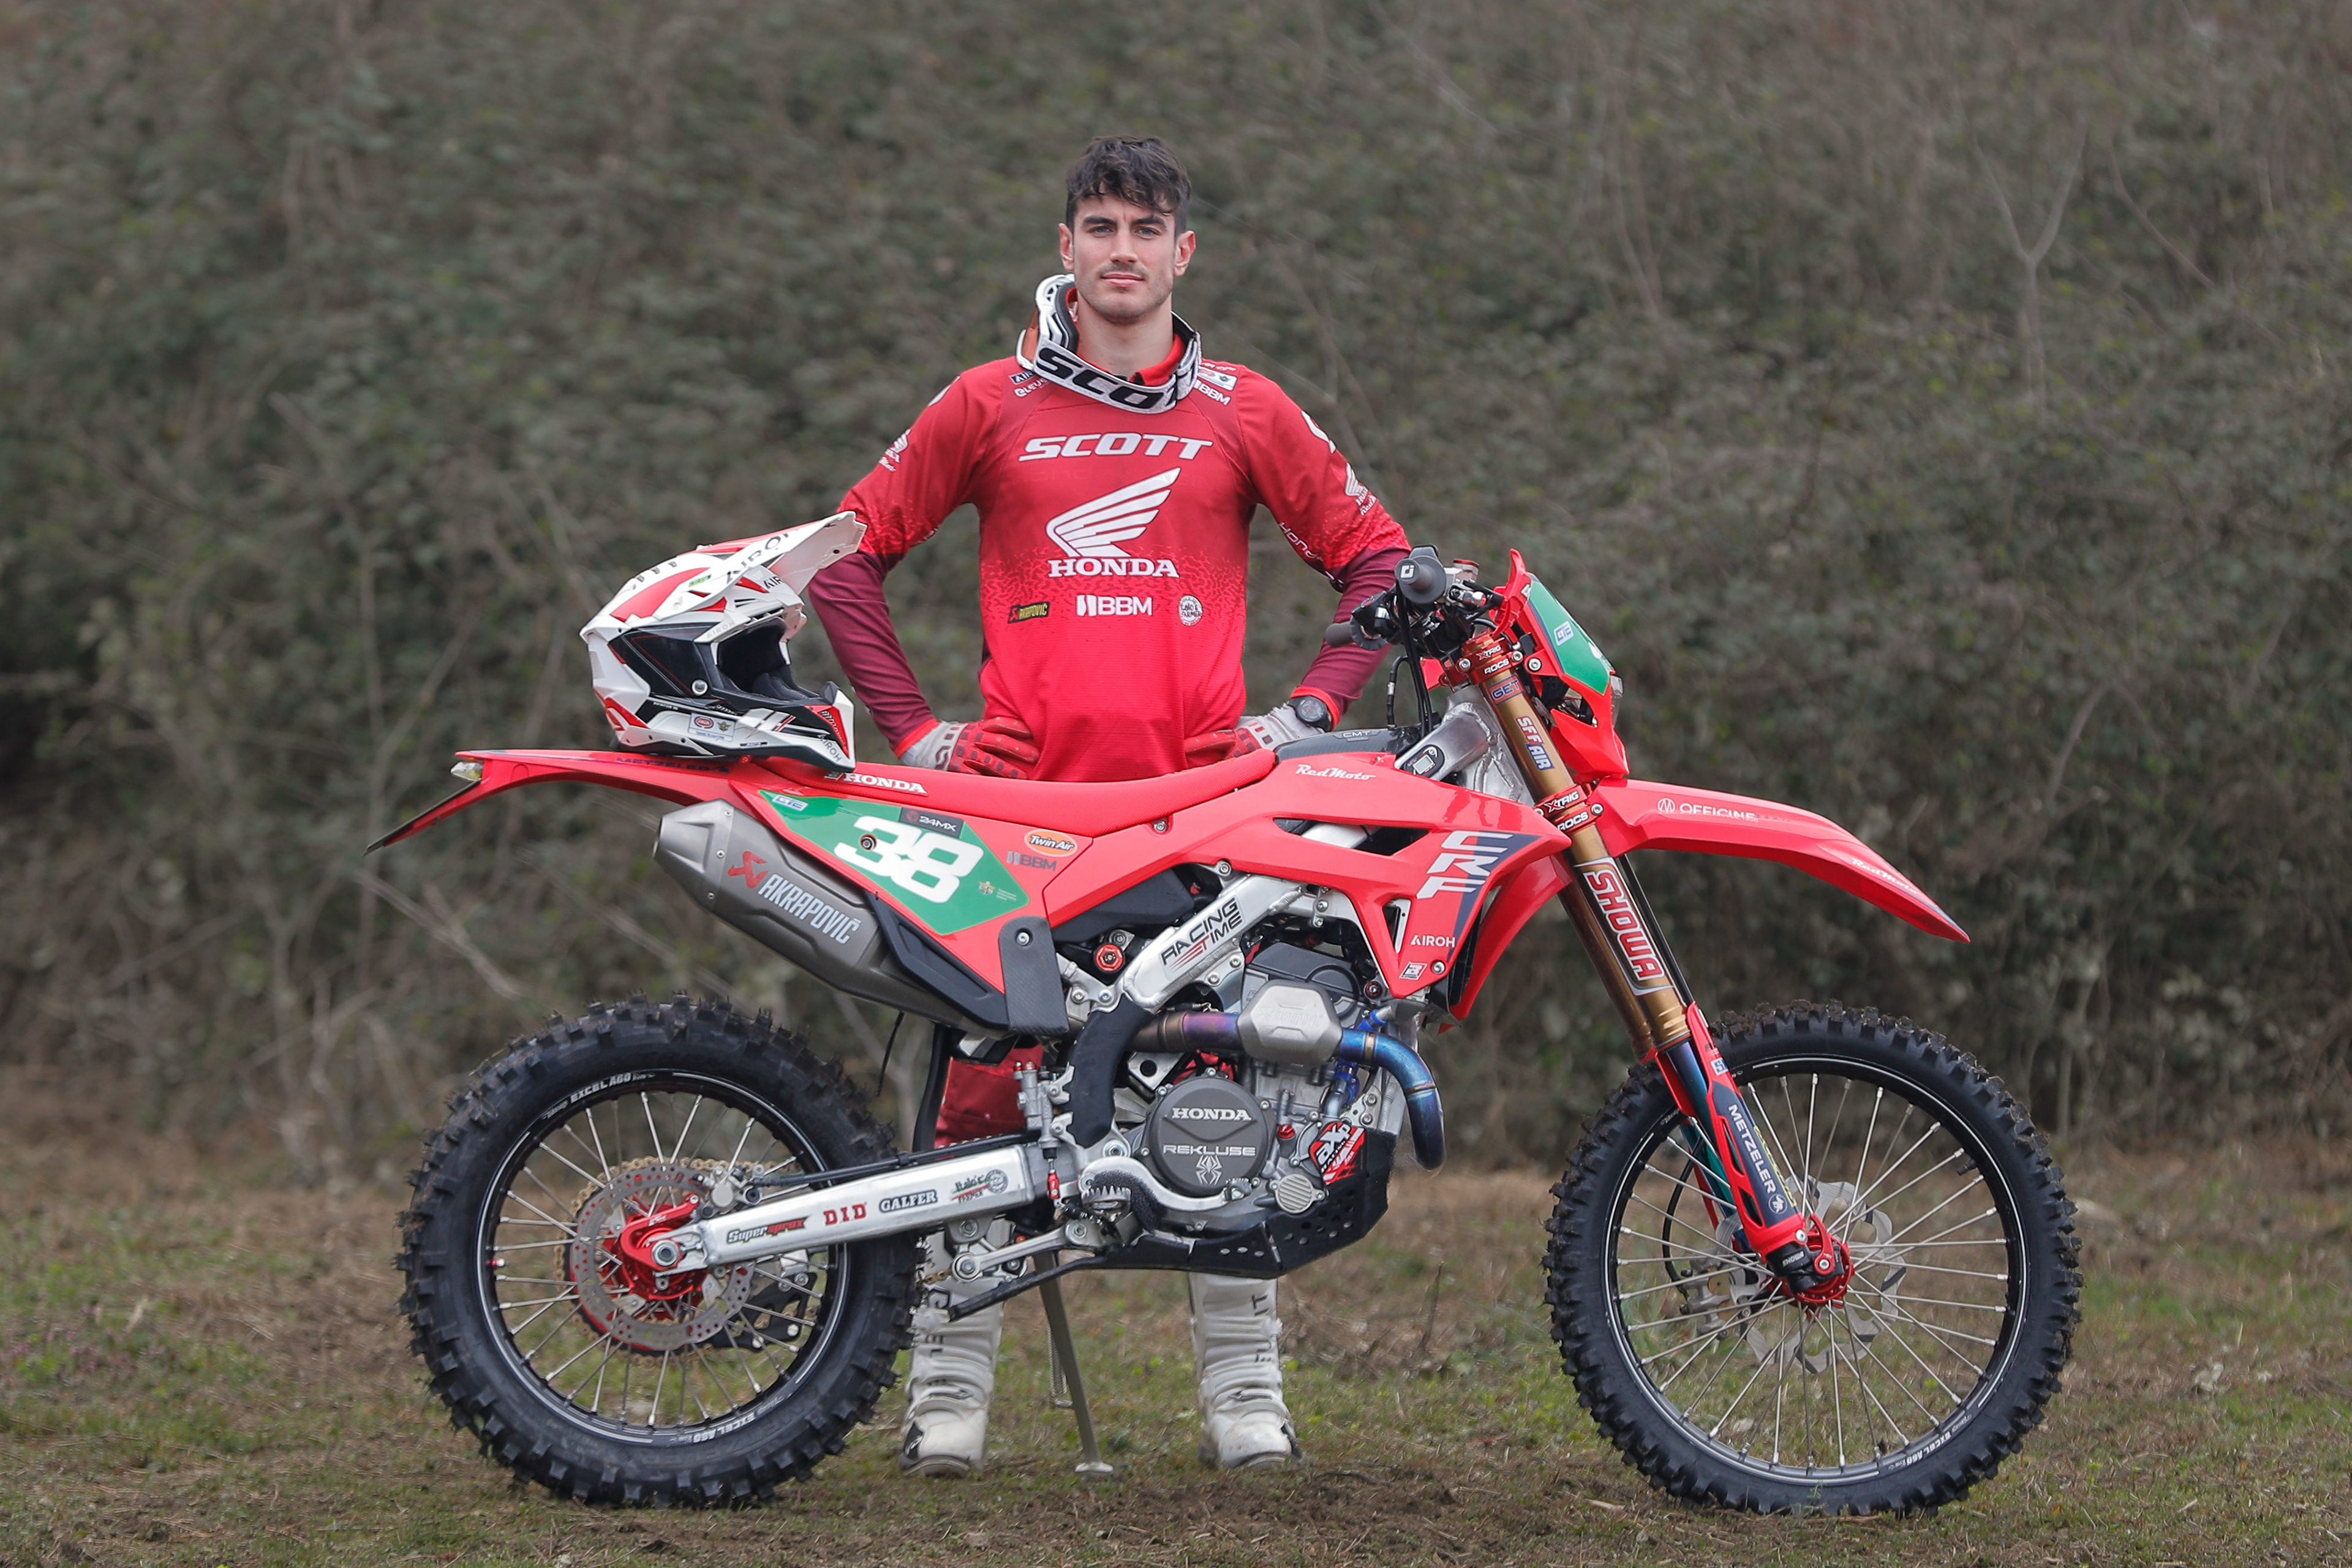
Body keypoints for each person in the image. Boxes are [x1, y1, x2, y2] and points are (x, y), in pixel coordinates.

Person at [805, 135, 1408, 1477]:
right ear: (1065, 246)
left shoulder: (1247, 408)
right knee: (984, 1093)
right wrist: (915, 733)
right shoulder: (988, 401)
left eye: (1146, 229)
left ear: (1183, 253)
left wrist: (1309, 714)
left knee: (1226, 1088)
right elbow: (840, 558)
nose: (1121, 250)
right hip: (1014, 815)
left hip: (1207, 810)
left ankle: (1245, 1393)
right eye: (1099, 226)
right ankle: (948, 1391)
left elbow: (1380, 561)